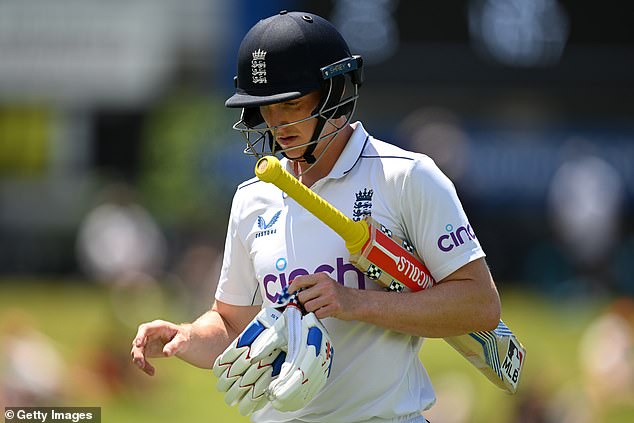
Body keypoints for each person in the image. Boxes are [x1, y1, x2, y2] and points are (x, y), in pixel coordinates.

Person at [131, 10, 501, 423]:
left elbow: (479, 305)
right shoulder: (254, 198)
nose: (277, 122)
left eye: (291, 102)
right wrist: (187, 336)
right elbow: (233, 325)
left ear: (334, 92)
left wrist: (354, 302)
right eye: (265, 106)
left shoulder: (406, 176)